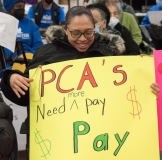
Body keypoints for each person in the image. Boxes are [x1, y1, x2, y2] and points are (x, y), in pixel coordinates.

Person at [0, 6, 160, 159]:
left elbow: (129, 93)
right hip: (59, 142)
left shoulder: (110, 53)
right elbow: (25, 96)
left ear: (95, 28)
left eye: (88, 32)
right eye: (75, 33)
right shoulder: (46, 53)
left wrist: (149, 90)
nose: (82, 39)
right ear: (65, 29)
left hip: (104, 140)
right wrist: (11, 79)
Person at [2, 0, 43, 74]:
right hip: (8, 63)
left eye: (22, 6)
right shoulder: (3, 24)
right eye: (18, 6)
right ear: (9, 8)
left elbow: (38, 44)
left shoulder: (30, 24)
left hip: (28, 61)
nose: (21, 9)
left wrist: (29, 56)